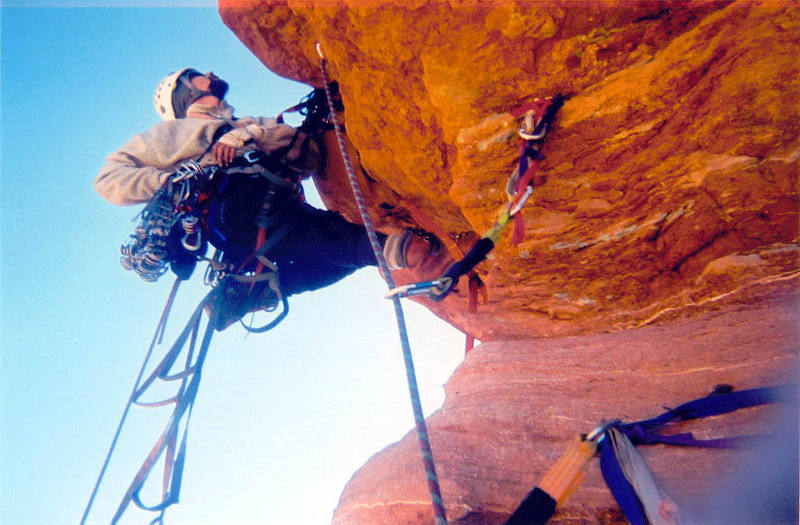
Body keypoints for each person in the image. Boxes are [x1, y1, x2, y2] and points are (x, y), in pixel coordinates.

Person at [95, 68, 452, 328]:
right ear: (184, 92)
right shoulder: (172, 133)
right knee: (324, 240)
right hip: (233, 207)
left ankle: (262, 291)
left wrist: (248, 135)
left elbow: (309, 153)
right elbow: (109, 179)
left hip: (276, 203)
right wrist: (174, 180)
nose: (210, 74)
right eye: (198, 75)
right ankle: (401, 251)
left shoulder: (249, 123)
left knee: (328, 254)